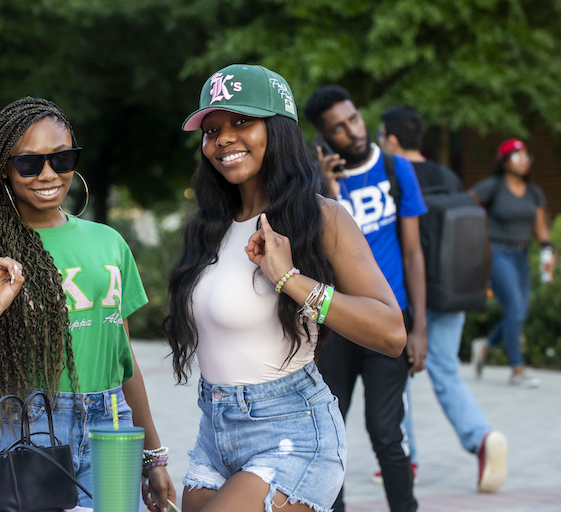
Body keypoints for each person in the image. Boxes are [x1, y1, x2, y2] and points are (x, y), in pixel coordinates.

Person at [165, 64, 406, 512]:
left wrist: (288, 279)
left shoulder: (323, 218)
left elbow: (391, 333)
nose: (223, 139)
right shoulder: (208, 228)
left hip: (293, 432)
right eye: (212, 129)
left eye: (242, 122)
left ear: (277, 129)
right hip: (214, 434)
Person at [0, 97, 176, 512]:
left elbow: (124, 357)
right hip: (32, 427)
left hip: (111, 423)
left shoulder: (109, 242)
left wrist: (153, 455)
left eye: (62, 159)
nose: (48, 174)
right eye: (29, 163)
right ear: (3, 169)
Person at [303, 86, 427, 512]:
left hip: (386, 321)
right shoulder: (314, 184)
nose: (352, 131)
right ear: (322, 137)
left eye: (353, 119)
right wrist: (325, 185)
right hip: (336, 325)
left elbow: (412, 253)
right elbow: (318, 251)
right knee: (329, 431)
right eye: (338, 128)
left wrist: (418, 328)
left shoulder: (395, 169)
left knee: (386, 431)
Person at [378, 105, 508, 493]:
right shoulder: (448, 175)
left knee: (395, 377)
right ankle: (482, 438)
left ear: (394, 140)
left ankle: (405, 458)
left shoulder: (394, 175)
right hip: (452, 290)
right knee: (446, 371)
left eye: (382, 136)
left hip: (408, 290)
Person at [469, 138, 554, 388]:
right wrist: (476, 235)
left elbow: (541, 229)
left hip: (522, 255)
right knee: (515, 308)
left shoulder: (534, 192)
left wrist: (548, 255)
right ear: (504, 161)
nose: (524, 161)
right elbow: (467, 204)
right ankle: (517, 369)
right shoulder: (493, 187)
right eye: (517, 156)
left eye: (527, 156)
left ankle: (485, 346)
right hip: (498, 252)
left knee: (519, 312)